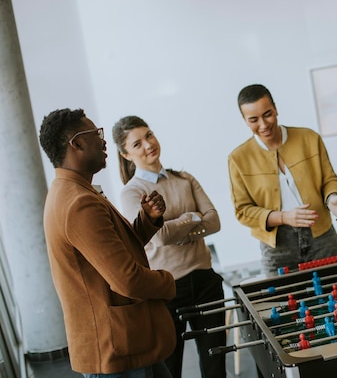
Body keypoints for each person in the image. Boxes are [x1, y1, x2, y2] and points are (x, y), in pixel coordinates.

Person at [38, 108, 176, 378]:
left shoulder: (72, 191)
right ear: (76, 142)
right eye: (95, 133)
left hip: (125, 345)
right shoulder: (79, 202)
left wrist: (146, 221)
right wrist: (169, 281)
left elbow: (112, 256)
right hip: (117, 351)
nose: (103, 141)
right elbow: (128, 280)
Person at [112, 116, 226, 378]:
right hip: (166, 288)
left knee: (216, 364)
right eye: (137, 143)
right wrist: (191, 217)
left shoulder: (184, 178)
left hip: (206, 280)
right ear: (125, 153)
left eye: (149, 135)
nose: (148, 145)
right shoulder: (131, 193)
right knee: (170, 368)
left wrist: (178, 229)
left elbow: (215, 221)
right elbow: (159, 236)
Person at [228, 83, 337, 275]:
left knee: (335, 295)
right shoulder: (238, 159)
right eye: (253, 119)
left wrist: (333, 199)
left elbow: (329, 179)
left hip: (322, 236)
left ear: (276, 108)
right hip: (277, 246)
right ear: (244, 120)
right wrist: (284, 217)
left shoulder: (309, 138)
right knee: (283, 302)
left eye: (267, 114)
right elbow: (243, 211)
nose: (263, 125)